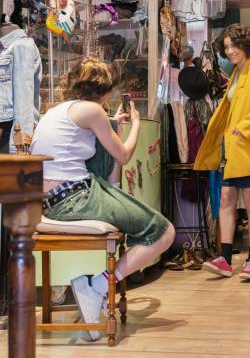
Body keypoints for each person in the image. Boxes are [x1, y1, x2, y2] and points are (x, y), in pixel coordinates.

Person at [30, 57, 175, 340]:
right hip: (73, 198)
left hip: (56, 198)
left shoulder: (59, 110)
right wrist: (134, 125)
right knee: (164, 233)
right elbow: (122, 155)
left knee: (133, 209)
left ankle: (94, 289)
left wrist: (110, 124)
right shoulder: (93, 111)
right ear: (105, 90)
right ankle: (96, 286)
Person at [194, 24, 250, 280]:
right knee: (225, 200)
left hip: (248, 149)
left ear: (245, 44)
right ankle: (224, 259)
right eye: (226, 47)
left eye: (234, 45)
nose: (230, 50)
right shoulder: (237, 72)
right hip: (232, 151)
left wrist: (246, 127)